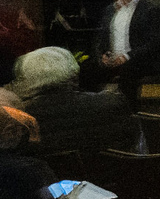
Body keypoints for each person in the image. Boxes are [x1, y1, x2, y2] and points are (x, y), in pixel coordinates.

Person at [13, 46, 142, 156]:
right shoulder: (112, 103)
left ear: (27, 79)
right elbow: (133, 144)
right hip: (109, 180)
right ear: (73, 72)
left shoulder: (20, 119)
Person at [82, 0, 160, 104]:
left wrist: (127, 56)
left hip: (139, 61)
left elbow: (156, 42)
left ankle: (126, 113)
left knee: (127, 71)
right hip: (113, 60)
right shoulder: (110, 10)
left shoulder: (152, 10)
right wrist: (102, 56)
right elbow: (99, 38)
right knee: (86, 69)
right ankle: (92, 111)